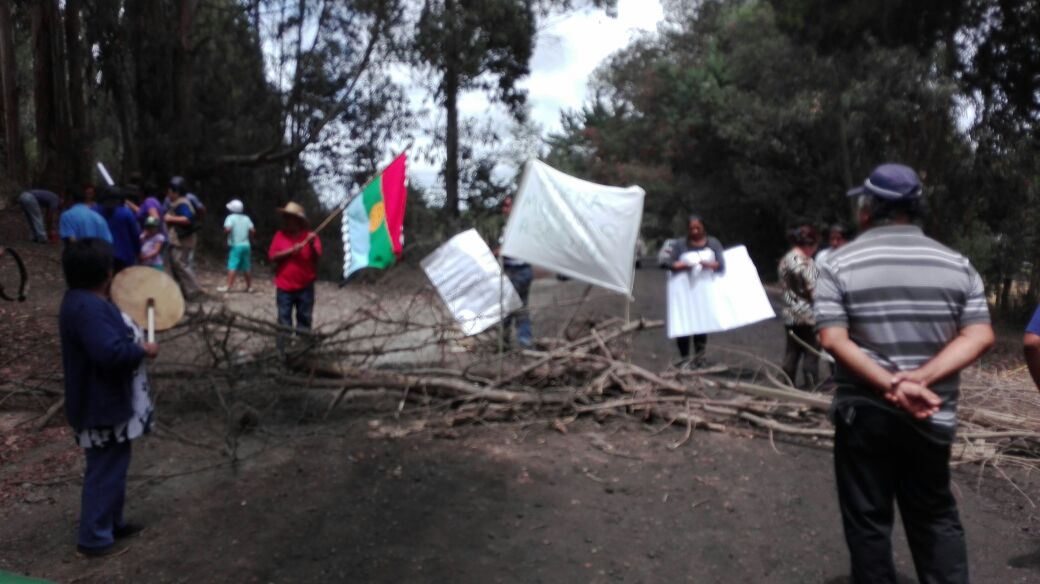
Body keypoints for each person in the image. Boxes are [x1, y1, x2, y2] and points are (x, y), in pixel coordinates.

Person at [815, 163, 994, 583]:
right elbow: (980, 335)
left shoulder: (838, 264)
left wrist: (894, 382)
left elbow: (833, 341)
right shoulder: (958, 265)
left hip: (865, 414)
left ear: (867, 210)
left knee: (869, 520)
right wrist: (922, 380)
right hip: (931, 416)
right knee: (934, 516)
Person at [59, 238, 159, 557]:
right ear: (105, 272)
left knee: (113, 466)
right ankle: (95, 537)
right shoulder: (87, 308)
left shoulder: (84, 301)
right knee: (105, 470)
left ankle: (112, 523)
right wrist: (141, 349)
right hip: (99, 404)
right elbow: (109, 353)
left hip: (104, 402)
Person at [667, 214, 725, 365]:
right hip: (684, 291)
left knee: (700, 323)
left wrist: (707, 265)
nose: (694, 231)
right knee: (684, 324)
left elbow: (721, 264)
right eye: (691, 228)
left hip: (703, 290)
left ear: (703, 227)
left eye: (697, 227)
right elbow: (671, 263)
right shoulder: (680, 244)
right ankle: (685, 358)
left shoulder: (713, 243)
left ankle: (700, 357)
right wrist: (688, 264)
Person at [268, 202, 322, 352]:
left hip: (305, 286)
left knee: (304, 319)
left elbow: (317, 258)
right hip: (284, 286)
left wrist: (310, 245)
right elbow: (273, 256)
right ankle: (283, 351)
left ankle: (302, 351)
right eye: (285, 217)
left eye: (289, 217)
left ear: (298, 221)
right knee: (283, 320)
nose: (285, 220)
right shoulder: (279, 236)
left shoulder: (311, 237)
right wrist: (291, 250)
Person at [778, 224, 820, 389]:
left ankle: (786, 385)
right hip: (808, 314)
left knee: (792, 352)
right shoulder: (804, 261)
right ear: (811, 244)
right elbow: (813, 290)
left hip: (790, 311)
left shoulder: (786, 259)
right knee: (811, 353)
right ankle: (811, 387)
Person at [497, 195, 533, 348]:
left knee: (511, 306)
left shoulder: (519, 226)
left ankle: (519, 340)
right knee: (516, 306)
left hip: (520, 271)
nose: (506, 209)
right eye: (504, 206)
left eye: (509, 205)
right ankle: (516, 340)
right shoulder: (508, 227)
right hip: (513, 271)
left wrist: (501, 251)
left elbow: (516, 249)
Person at [163, 178, 203, 300]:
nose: (168, 194)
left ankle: (194, 291)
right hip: (178, 240)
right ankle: (183, 291)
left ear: (176, 192)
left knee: (181, 264)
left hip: (182, 240)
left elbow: (187, 219)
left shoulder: (182, 203)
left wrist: (170, 219)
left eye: (170, 192)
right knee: (177, 264)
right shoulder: (178, 203)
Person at [98, 188, 141, 273]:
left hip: (103, 254)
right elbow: (135, 235)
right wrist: (138, 251)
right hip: (124, 256)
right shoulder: (126, 213)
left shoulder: (97, 211)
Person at [219, 199, 255, 293]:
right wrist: (251, 239)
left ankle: (228, 286)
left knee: (232, 265)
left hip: (236, 245)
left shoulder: (230, 218)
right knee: (246, 266)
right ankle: (249, 287)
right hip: (246, 245)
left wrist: (224, 237)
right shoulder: (246, 218)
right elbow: (252, 230)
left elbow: (228, 229)